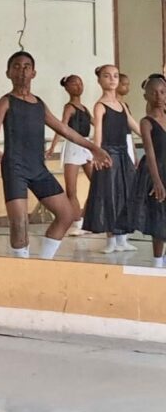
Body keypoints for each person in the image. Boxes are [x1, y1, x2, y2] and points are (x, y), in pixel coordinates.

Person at [0, 52, 110, 260]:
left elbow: (64, 130)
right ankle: (21, 266)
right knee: (19, 223)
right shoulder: (6, 102)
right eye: (17, 66)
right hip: (15, 167)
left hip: (38, 168)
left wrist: (93, 147)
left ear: (34, 73)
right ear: (8, 73)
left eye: (27, 67)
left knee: (67, 214)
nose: (22, 71)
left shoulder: (39, 104)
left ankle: (44, 261)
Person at [82, 65, 140, 253]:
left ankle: (123, 239)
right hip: (108, 155)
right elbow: (98, 131)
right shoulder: (100, 106)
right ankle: (111, 240)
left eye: (115, 76)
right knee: (110, 195)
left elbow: (135, 126)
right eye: (107, 76)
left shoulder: (122, 105)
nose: (112, 79)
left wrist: (154, 136)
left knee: (126, 194)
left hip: (123, 154)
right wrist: (97, 152)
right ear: (100, 80)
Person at [46, 75, 93, 236]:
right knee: (71, 190)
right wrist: (53, 147)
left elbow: (97, 123)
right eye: (74, 84)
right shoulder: (69, 107)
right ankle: (77, 223)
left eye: (80, 83)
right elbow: (62, 127)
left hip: (86, 145)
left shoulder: (85, 109)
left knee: (97, 184)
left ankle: (86, 218)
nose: (78, 86)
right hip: (73, 146)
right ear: (67, 88)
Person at [131, 74, 166, 267]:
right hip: (157, 171)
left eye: (162, 92)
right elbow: (150, 153)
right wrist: (157, 181)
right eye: (154, 93)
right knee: (158, 216)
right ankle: (157, 261)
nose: (159, 96)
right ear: (146, 96)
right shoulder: (146, 122)